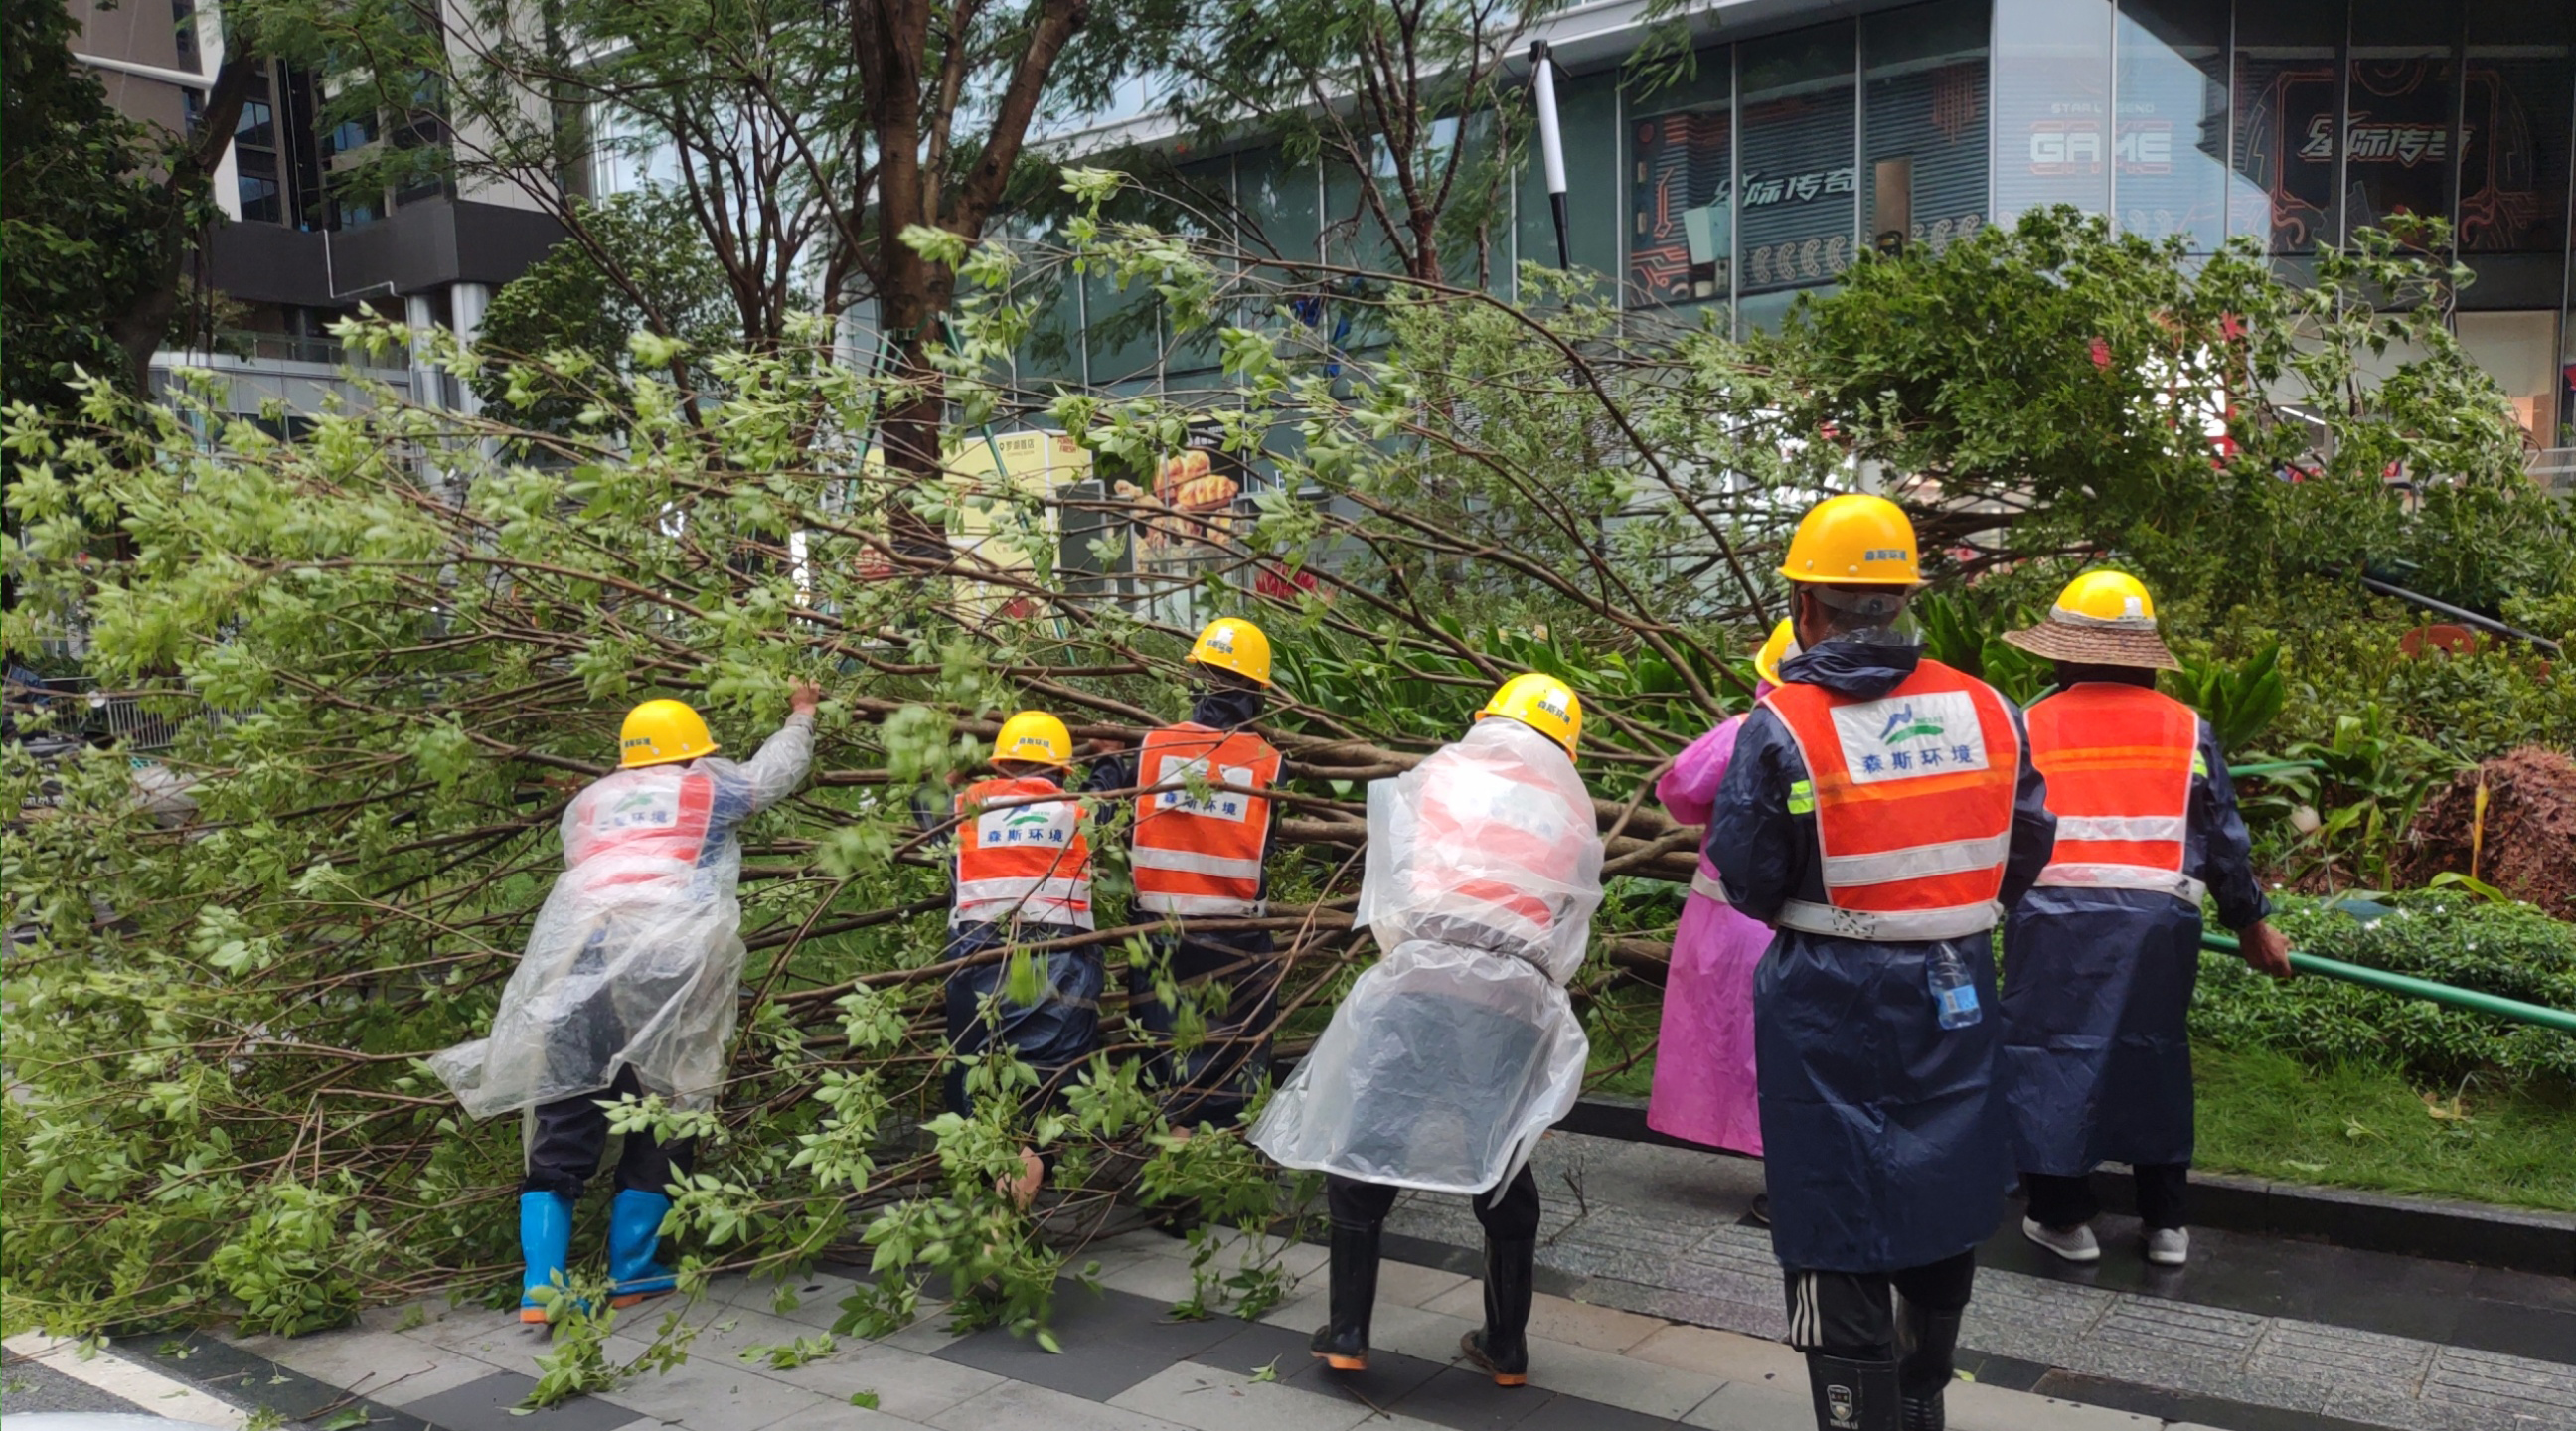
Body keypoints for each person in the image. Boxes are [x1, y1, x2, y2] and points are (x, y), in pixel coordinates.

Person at [1708, 494, 2056, 1431]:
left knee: (1833, 1210)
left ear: (1805, 609)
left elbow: (1746, 875)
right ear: (1903, 600)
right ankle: (1922, 1395)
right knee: (1944, 1179)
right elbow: (2029, 840)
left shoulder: (1785, 724)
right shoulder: (1989, 709)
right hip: (1957, 985)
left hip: (1829, 993)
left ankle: (1862, 1413)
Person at [1252, 674, 1603, 1389]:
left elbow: (1388, 896)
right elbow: (1569, 938)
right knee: (1502, 1156)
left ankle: (1348, 1333)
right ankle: (1506, 1346)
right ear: (1564, 743)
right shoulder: (1573, 810)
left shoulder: (1438, 773)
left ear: (1490, 720)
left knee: (1365, 1144)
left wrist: (1418, 966)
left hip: (1420, 981)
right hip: (1513, 998)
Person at [431, 687, 818, 1323]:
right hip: (667, 961)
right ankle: (635, 1273)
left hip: (577, 963)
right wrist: (801, 717)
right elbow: (770, 777)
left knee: (564, 1105)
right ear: (691, 753)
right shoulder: (702, 790)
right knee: (667, 1101)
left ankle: (541, 1287)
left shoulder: (586, 804)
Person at [1997, 571, 2295, 1269]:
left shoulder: (2030, 726)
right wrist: (2252, 922)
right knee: (2153, 1051)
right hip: (2160, 917)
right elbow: (2223, 839)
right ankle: (2165, 1224)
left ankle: (2063, 1218)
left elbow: (1999, 831)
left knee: (2048, 1053)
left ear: (2064, 655)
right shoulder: (2188, 729)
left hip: (2054, 912)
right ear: (2144, 658)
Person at [1086, 617, 1285, 1128]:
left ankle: (1171, 1168)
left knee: (1164, 1058)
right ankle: (1224, 1159)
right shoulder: (1270, 763)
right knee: (1236, 1058)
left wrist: (1108, 765)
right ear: (1257, 692)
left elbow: (1097, 824)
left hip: (1158, 931)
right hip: (1238, 933)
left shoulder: (1150, 748)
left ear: (1197, 680)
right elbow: (1268, 846)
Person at [1648, 621, 1798, 1183]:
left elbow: (1681, 793)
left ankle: (1777, 1168)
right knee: (1787, 1045)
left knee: (1730, 1037)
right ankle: (1793, 1166)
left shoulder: (1742, 732)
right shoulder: (1849, 735)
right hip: (1817, 922)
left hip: (1728, 917)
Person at [941, 710, 1102, 1204]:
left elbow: (923, 799)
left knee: (975, 1085)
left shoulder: (962, 805)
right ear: (1061, 770)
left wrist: (959, 777)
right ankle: (1000, 1230)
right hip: (1059, 967)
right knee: (1038, 1103)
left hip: (974, 968)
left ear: (999, 764)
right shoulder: (1083, 810)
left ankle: (983, 1200)